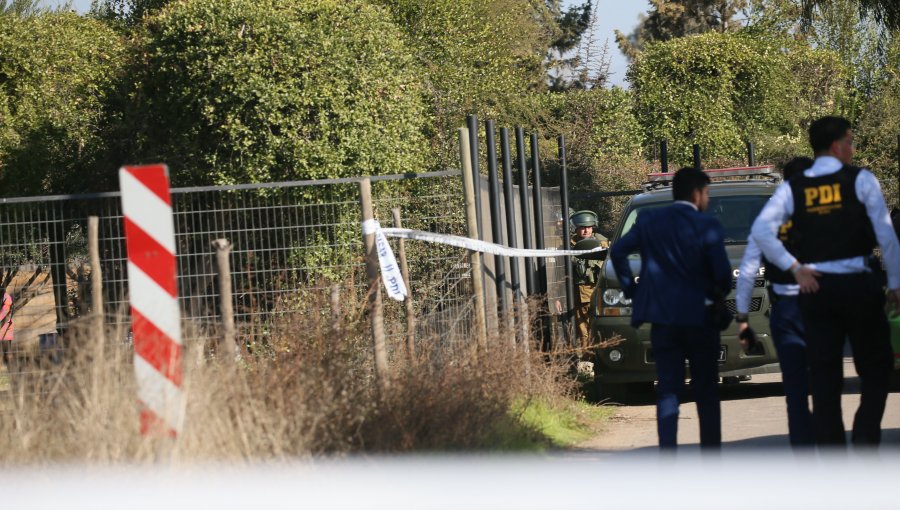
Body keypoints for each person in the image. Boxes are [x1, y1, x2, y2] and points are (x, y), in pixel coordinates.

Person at [750, 116, 900, 447]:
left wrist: (795, 267)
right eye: (850, 140)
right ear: (836, 145)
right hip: (859, 286)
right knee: (876, 368)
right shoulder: (861, 180)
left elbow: (761, 230)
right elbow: (886, 237)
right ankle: (864, 435)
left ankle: (832, 456)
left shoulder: (793, 188)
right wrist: (896, 284)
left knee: (824, 376)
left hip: (816, 290)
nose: (852, 147)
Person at [610, 167, 732, 449]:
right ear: (696, 194)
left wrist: (633, 289)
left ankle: (668, 455)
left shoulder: (651, 220)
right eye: (707, 194)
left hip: (663, 319)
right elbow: (723, 276)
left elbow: (618, 251)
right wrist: (715, 292)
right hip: (700, 319)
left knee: (667, 389)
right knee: (706, 390)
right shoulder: (706, 225)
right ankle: (710, 454)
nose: (707, 200)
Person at [735, 156, 815, 448]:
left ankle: (802, 445)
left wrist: (743, 318)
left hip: (786, 308)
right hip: (824, 307)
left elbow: (747, 273)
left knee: (794, 384)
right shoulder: (828, 213)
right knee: (826, 378)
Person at [569, 210, 608, 349]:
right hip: (579, 291)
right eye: (582, 227)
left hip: (599, 290)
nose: (586, 230)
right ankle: (588, 357)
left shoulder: (603, 243)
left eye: (589, 227)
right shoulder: (569, 245)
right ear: (576, 228)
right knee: (583, 328)